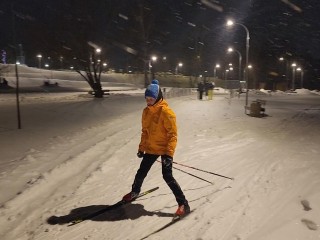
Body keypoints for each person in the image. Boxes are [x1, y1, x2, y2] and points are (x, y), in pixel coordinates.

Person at [122, 79, 190, 217]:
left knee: (167, 176)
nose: (148, 101)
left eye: (151, 98)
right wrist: (142, 148)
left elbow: (173, 135)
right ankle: (135, 191)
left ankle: (183, 204)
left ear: (158, 97)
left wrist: (169, 156)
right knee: (141, 172)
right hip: (152, 148)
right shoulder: (146, 112)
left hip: (165, 148)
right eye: (147, 98)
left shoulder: (167, 113)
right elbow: (145, 132)